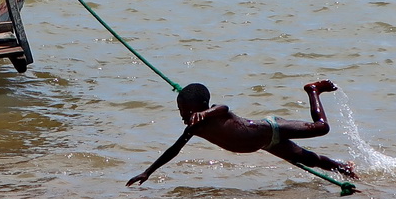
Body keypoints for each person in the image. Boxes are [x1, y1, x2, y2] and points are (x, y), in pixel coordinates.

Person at [127, 80, 355, 187]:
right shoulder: (193, 128)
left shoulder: (214, 113)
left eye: (185, 110)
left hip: (269, 128)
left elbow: (223, 107)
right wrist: (148, 172)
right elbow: (173, 150)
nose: (182, 114)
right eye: (179, 110)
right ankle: (344, 168)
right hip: (267, 144)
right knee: (310, 159)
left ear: (200, 107)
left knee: (322, 128)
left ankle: (313, 90)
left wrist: (205, 113)